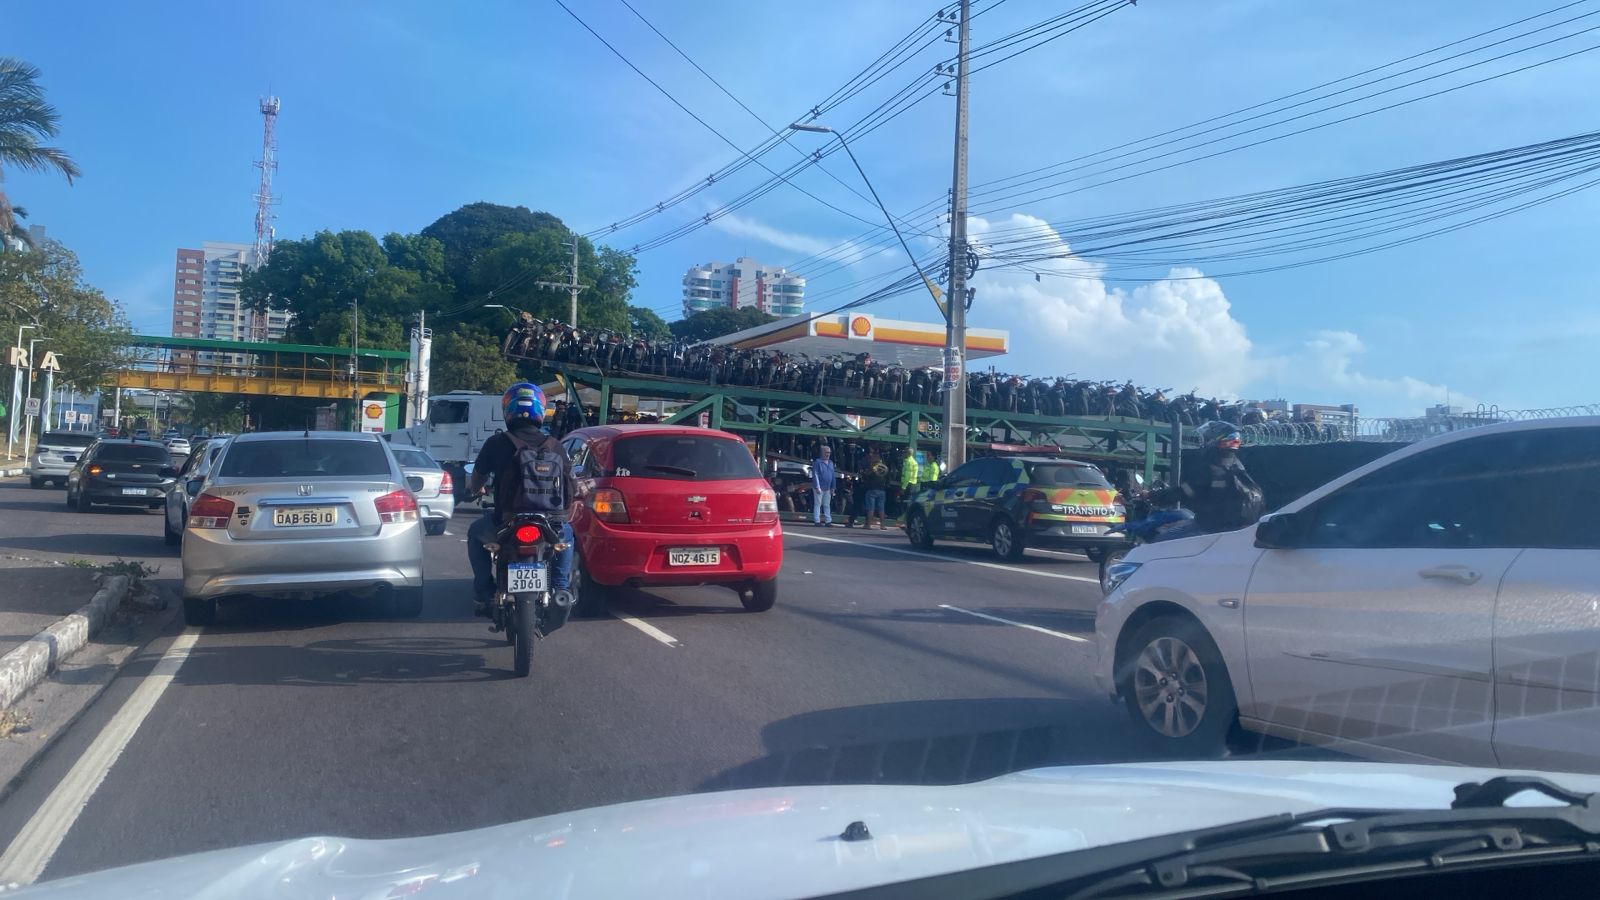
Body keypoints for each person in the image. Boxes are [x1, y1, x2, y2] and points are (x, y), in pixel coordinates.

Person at [466, 382, 577, 617]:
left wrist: (476, 490)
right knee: (567, 535)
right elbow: (572, 486)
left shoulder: (496, 443)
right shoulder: (556, 446)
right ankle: (560, 587)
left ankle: (484, 592)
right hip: (551, 523)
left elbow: (477, 479)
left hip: (506, 520)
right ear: (540, 410)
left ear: (509, 410)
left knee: (475, 534)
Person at [1180, 421, 1265, 534]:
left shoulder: (1212, 467)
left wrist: (1152, 496)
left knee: (1162, 537)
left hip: (1213, 528)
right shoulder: (1236, 463)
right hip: (1236, 526)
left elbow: (1186, 491)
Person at [858, 451, 889, 530]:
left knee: (870, 508)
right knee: (881, 508)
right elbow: (888, 479)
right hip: (882, 490)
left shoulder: (873, 468)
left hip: (871, 489)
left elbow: (866, 476)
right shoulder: (884, 468)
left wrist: (864, 473)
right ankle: (882, 525)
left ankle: (868, 525)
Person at [810, 444, 837, 527]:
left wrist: (833, 487)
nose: (828, 454)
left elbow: (832, 475)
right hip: (819, 487)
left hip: (828, 488)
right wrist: (817, 486)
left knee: (826, 505)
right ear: (822, 453)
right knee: (818, 504)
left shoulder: (831, 463)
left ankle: (828, 521)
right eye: (826, 452)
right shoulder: (817, 462)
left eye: (829, 452)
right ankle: (817, 521)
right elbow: (815, 474)